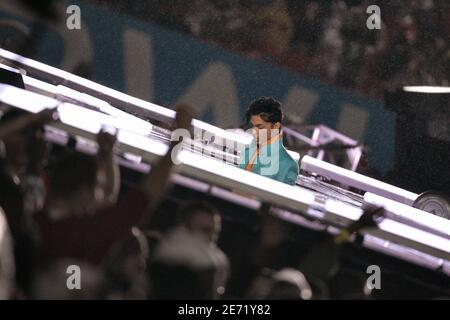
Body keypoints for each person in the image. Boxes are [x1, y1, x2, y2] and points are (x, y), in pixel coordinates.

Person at [239, 97, 299, 185]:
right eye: (253, 126)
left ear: (276, 126)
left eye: (260, 127)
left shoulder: (288, 166)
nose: (254, 131)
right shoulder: (247, 151)